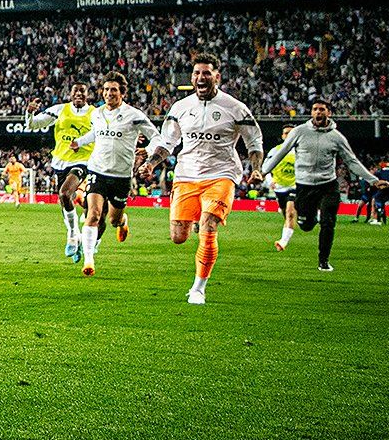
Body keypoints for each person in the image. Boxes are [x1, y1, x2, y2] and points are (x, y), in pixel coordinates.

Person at [140, 53, 263, 305]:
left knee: (208, 226)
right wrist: (151, 163)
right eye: (197, 73)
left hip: (221, 174)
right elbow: (168, 143)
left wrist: (257, 169)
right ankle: (197, 216)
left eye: (206, 73)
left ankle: (198, 288)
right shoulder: (180, 107)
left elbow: (254, 142)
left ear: (217, 76)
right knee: (178, 236)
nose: (201, 77)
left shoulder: (235, 108)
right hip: (186, 175)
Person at [259, 99, 386, 271]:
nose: (318, 112)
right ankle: (311, 219)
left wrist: (373, 180)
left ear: (329, 113)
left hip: (328, 185)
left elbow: (352, 161)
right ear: (311, 112)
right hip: (304, 186)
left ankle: (323, 260)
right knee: (306, 225)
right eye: (315, 109)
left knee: (328, 222)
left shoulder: (336, 137)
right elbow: (280, 153)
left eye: (322, 109)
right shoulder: (299, 132)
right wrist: (263, 173)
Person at [68, 72, 159, 276]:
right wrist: (79, 142)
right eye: (107, 89)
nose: (109, 93)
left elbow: (156, 137)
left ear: (122, 93)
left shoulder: (134, 115)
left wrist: (148, 150)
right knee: (93, 215)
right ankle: (89, 260)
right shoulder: (97, 113)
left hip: (121, 176)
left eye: (114, 90)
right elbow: (95, 133)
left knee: (113, 220)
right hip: (97, 171)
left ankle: (122, 221)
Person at [26, 82, 95, 262]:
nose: (79, 93)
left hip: (82, 161)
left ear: (88, 94)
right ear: (70, 94)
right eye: (75, 90)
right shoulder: (59, 110)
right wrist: (30, 112)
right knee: (64, 201)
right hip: (60, 162)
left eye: (82, 91)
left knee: (65, 193)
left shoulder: (95, 114)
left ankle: (72, 234)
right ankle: (77, 237)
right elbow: (32, 124)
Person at [268, 124, 299, 251]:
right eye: (286, 133)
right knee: (286, 214)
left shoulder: (302, 152)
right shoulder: (275, 151)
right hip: (280, 187)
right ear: (282, 136)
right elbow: (266, 167)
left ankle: (283, 242)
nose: (289, 135)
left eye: (291, 133)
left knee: (290, 212)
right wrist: (270, 181)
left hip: (296, 186)